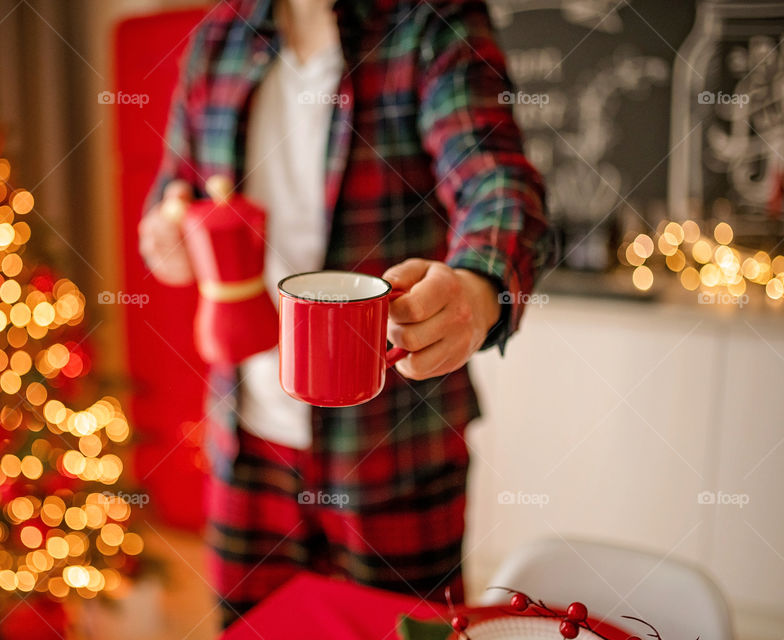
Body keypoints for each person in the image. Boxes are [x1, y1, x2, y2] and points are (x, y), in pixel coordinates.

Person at [139, 0, 551, 627]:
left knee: (402, 632)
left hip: (396, 445)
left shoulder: (432, 21)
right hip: (247, 437)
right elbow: (175, 193)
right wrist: (165, 236)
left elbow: (496, 182)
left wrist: (474, 289)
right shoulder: (219, 36)